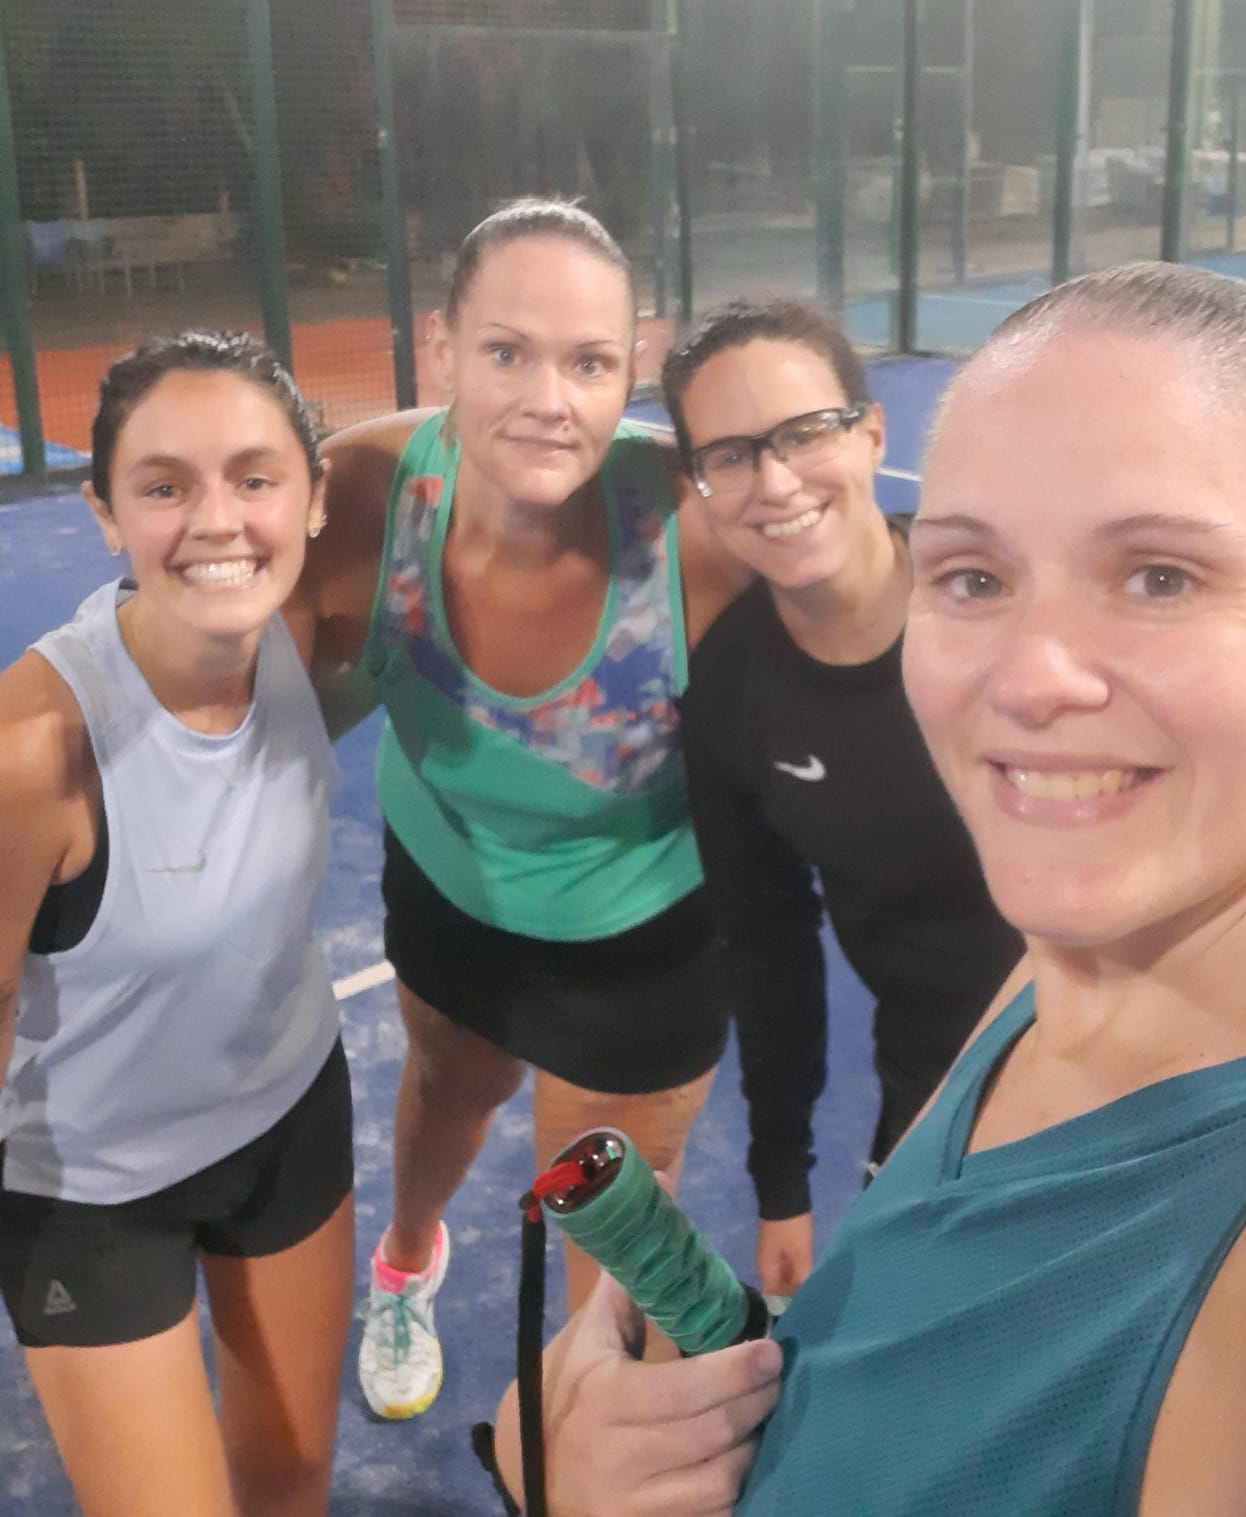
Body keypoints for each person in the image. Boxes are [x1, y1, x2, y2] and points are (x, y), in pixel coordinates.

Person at [490, 262, 1246, 1516]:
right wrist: (610, 1449)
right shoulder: (1080, 956)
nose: (1032, 678)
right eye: (974, 578)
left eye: (1160, 576)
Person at [284, 197, 749, 1421]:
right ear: (441, 347)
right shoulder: (367, 495)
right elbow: (252, 700)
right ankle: (407, 1260)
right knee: (447, 1089)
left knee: (616, 1264)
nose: (549, 398)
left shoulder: (696, 532)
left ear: (633, 365)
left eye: (588, 362)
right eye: (506, 352)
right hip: (453, 886)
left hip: (644, 936)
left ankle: (598, 1436)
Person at [0, 332, 352, 1517]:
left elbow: (457, 442)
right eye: (164, 486)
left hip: (289, 1119)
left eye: (256, 477)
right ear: (105, 513)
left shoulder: (306, 627)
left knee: (293, 1480)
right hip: (91, 1193)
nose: (217, 521)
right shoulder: (31, 753)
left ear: (313, 497)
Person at [663, 298, 1022, 1296]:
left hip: (1144, 1067)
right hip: (936, 1088)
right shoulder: (730, 692)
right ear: (700, 483)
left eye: (805, 433)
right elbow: (767, 947)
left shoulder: (1014, 601)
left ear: (871, 433)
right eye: (731, 455)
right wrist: (780, 1183)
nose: (775, 481)